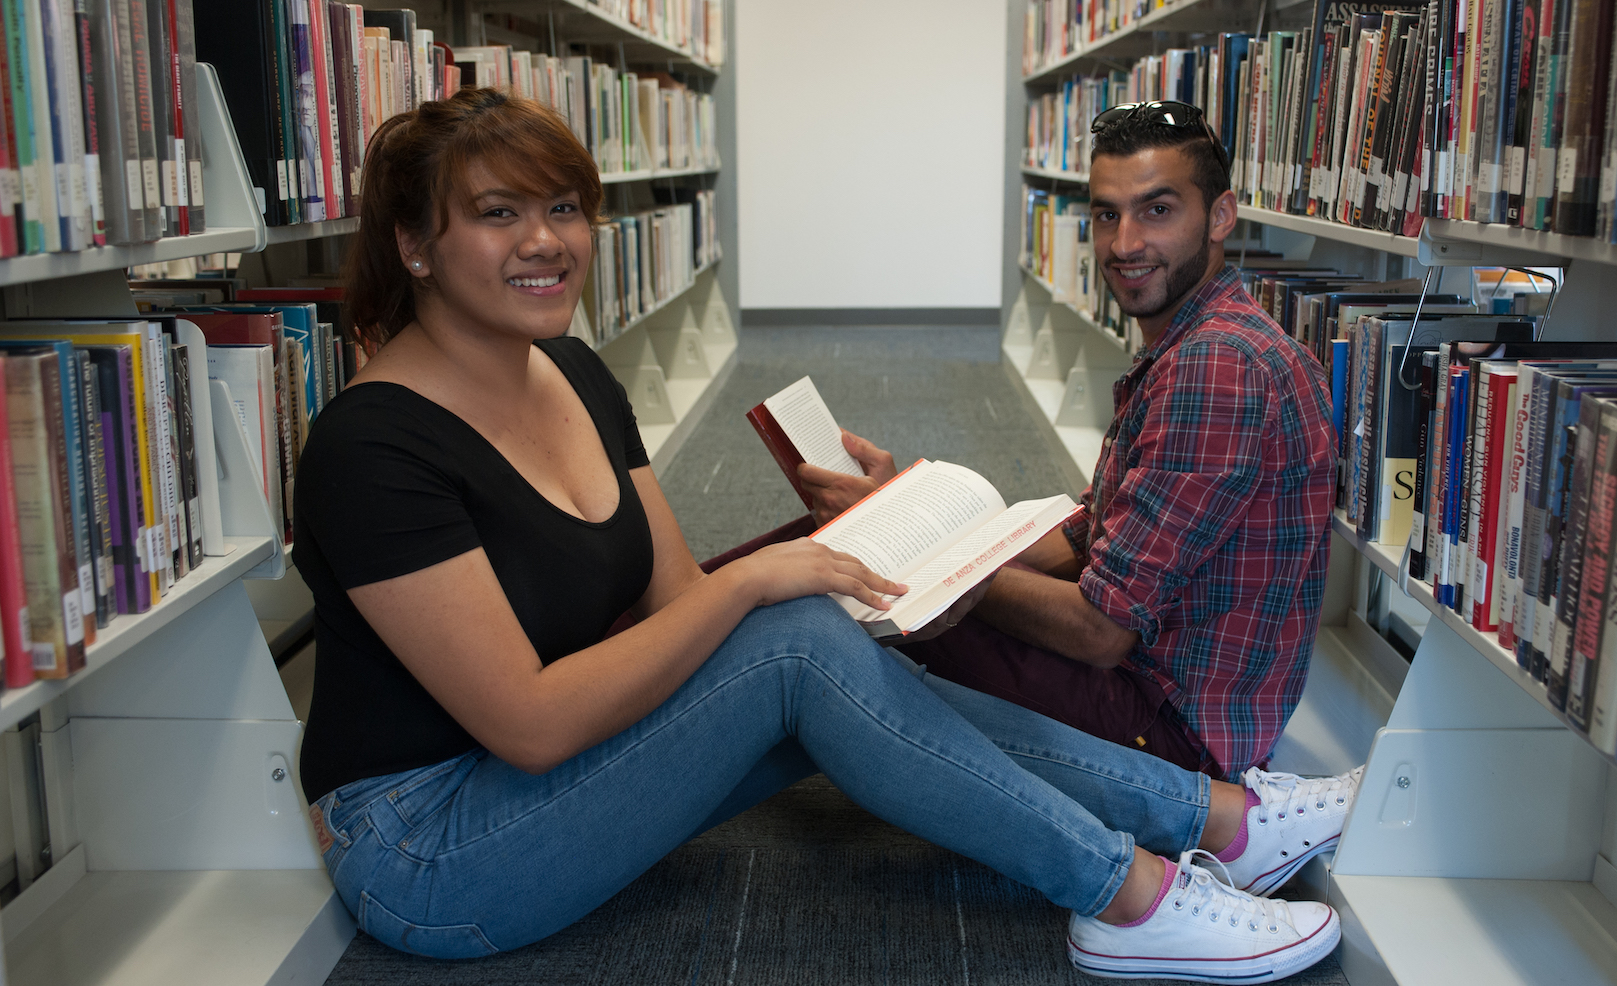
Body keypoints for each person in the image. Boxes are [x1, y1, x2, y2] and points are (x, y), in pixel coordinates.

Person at [292, 88, 1355, 983]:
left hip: (549, 759)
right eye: (496, 211)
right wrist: (763, 582)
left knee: (822, 649)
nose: (544, 241)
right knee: (797, 634)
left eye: (564, 206)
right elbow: (525, 723)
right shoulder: (371, 448)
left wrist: (805, 571)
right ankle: (1127, 893)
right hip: (435, 844)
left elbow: (668, 603)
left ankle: (1216, 818)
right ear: (414, 246)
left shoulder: (573, 374)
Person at [794, 101, 1342, 798]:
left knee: (826, 600)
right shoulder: (1205, 343)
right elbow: (1091, 535)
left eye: (1158, 210)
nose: (1124, 244)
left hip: (1172, 734)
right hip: (1171, 689)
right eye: (1108, 215)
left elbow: (1098, 634)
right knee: (831, 565)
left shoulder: (1218, 368)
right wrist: (902, 516)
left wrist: (932, 568)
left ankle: (658, 666)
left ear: (1222, 215)